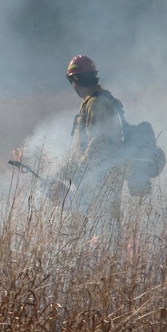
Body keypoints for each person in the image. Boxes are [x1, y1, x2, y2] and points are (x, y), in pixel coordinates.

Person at [48, 55, 126, 235]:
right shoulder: (95, 100)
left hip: (100, 175)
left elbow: (99, 141)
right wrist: (64, 171)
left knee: (99, 226)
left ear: (75, 80)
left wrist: (79, 169)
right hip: (97, 173)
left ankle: (106, 258)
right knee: (93, 224)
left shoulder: (96, 103)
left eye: (71, 81)